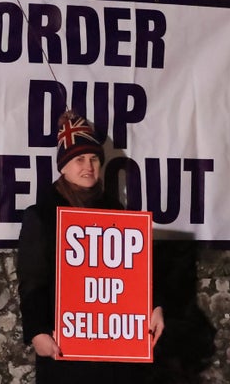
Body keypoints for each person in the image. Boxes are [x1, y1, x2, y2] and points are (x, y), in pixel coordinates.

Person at [17, 110, 165, 383]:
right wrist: (37, 331)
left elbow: (133, 276)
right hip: (65, 348)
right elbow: (32, 281)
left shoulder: (117, 212)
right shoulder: (40, 215)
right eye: (79, 159)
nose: (88, 166)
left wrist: (153, 307)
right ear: (63, 166)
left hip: (116, 354)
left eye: (94, 158)